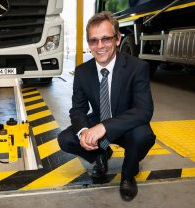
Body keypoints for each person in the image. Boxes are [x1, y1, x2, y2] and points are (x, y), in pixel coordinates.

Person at [58, 11, 156, 201]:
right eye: (93, 40)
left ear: (118, 39)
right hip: (100, 120)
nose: (99, 46)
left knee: (143, 136)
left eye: (106, 39)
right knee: (65, 138)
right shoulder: (82, 72)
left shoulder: (137, 67)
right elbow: (78, 109)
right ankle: (101, 155)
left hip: (127, 124)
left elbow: (144, 111)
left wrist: (104, 127)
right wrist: (85, 132)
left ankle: (128, 175)